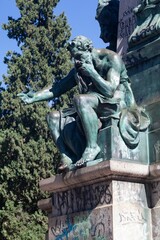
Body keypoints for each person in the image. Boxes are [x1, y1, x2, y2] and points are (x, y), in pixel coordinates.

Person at [18, 35, 149, 172]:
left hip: (116, 101)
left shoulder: (111, 59)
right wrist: (34, 97)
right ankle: (67, 157)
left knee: (80, 100)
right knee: (53, 117)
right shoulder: (80, 67)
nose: (78, 60)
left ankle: (92, 147)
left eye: (80, 56)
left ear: (88, 49)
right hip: (94, 101)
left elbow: (110, 90)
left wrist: (92, 73)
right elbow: (58, 88)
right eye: (75, 58)